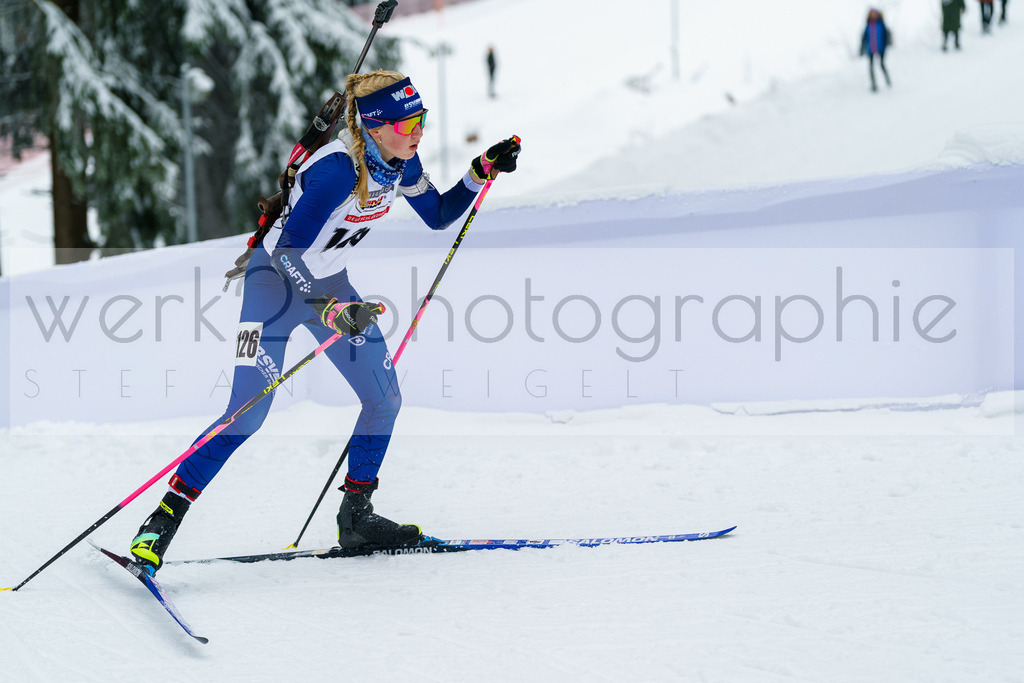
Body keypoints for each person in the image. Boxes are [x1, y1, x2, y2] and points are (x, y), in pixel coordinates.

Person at [128, 70, 522, 572]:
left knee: (384, 398)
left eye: (422, 119)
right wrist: (331, 311)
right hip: (272, 288)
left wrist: (481, 169)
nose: (418, 130)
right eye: (407, 122)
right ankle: (161, 521)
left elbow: (440, 214)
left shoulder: (400, 162)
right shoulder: (336, 171)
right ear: (375, 127)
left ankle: (356, 517)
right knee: (247, 411)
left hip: (329, 287)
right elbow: (289, 254)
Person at [860, 8, 892, 92]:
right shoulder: (868, 25)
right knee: (871, 67)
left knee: (881, 65)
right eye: (871, 14)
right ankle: (873, 84)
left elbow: (887, 35)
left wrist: (887, 44)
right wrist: (861, 48)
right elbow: (863, 38)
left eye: (874, 13)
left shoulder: (881, 24)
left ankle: (887, 80)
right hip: (870, 49)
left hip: (881, 48)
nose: (873, 15)